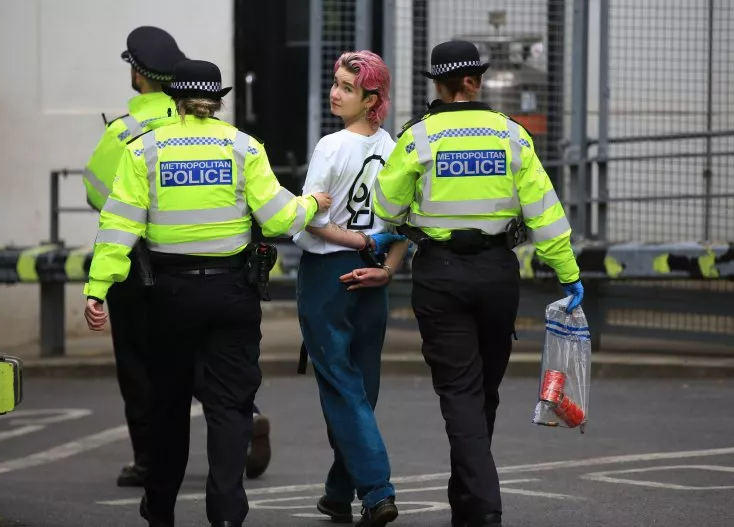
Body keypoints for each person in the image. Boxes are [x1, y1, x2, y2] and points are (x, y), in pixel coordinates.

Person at [83, 59, 331, 527]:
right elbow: (279, 218)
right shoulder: (242, 147)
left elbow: (118, 225)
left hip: (167, 297)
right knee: (230, 409)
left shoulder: (144, 150)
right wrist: (313, 204)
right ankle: (225, 514)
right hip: (230, 294)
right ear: (218, 100)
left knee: (168, 408)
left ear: (174, 99)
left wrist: (99, 288)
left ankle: (159, 509)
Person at [371, 40, 585, 527]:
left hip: (440, 275)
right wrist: (568, 274)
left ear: (440, 85)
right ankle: (470, 501)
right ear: (476, 80)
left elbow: (385, 205)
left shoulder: (418, 137)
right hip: (496, 274)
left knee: (461, 394)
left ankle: (480, 505)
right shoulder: (511, 135)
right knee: (483, 391)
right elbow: (545, 214)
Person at [293, 50, 408, 527]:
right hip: (375, 270)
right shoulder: (396, 146)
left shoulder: (331, 145)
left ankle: (378, 491)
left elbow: (312, 219)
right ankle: (339, 492)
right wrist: (387, 266)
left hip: (328, 274)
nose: (335, 93)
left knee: (342, 387)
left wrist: (360, 241)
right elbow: (404, 221)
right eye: (336, 83)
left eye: (346, 87)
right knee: (364, 385)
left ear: (371, 98)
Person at [82, 25, 185, 488]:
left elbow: (96, 193)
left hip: (136, 266)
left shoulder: (123, 133)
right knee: (199, 351)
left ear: (138, 76)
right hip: (193, 261)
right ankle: (245, 422)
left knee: (138, 365)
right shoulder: (195, 125)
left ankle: (149, 460)